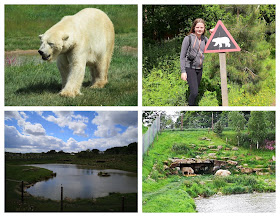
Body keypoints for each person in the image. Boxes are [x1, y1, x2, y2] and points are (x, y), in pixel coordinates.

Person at [180, 18, 213, 106]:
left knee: (195, 90)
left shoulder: (204, 39)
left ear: (204, 28)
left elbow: (213, 45)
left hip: (199, 68)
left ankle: (192, 102)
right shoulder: (188, 39)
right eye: (197, 27)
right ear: (194, 28)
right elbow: (182, 56)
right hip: (190, 67)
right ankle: (191, 106)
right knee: (194, 92)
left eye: (201, 27)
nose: (199, 29)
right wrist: (183, 71)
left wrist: (213, 33)